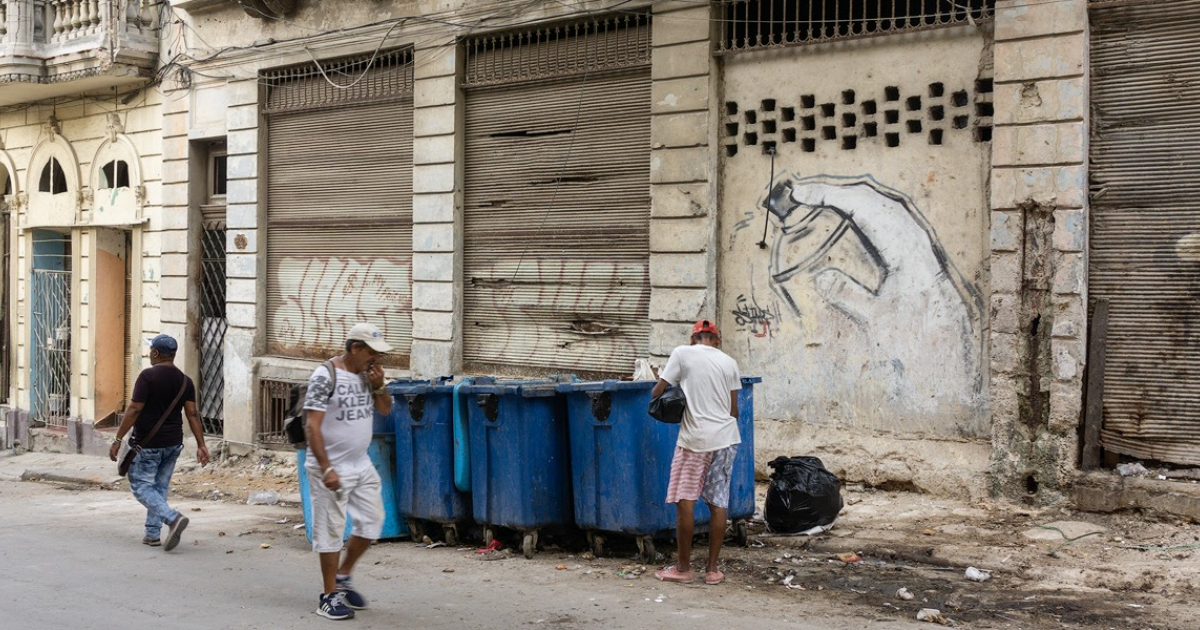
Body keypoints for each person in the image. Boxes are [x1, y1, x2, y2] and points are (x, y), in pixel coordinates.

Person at [304, 322, 393, 620]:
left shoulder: (369, 376)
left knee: (372, 520)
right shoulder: (325, 376)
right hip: (330, 466)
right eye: (372, 353)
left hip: (360, 463)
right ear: (355, 348)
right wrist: (326, 467)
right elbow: (312, 425)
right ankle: (327, 597)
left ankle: (343, 577)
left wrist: (379, 385)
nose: (376, 359)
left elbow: (384, 409)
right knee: (331, 529)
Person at [651, 319, 742, 586]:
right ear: (717, 340)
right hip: (726, 439)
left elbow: (657, 392)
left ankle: (683, 568)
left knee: (685, 502)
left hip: (694, 439)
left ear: (693, 338)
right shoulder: (730, 362)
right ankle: (712, 571)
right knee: (718, 503)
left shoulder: (682, 353)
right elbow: (733, 411)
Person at [108, 334, 210, 551]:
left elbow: (134, 409)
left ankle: (172, 518)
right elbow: (192, 414)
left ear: (155, 353)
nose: (148, 353)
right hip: (173, 444)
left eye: (150, 350)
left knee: (141, 486)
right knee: (159, 488)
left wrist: (118, 439)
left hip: (147, 444)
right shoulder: (185, 381)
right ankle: (152, 534)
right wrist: (201, 445)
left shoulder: (147, 377)